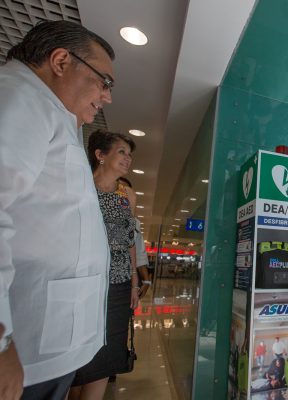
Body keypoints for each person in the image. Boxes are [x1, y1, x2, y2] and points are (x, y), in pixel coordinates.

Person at [0, 20, 114, 400]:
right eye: (104, 81)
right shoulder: (18, 95)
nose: (107, 97)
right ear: (62, 61)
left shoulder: (54, 113)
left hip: (46, 344)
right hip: (23, 348)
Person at [68, 130, 139, 400]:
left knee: (107, 354)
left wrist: (134, 281)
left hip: (118, 285)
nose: (127, 158)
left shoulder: (127, 197)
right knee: (77, 353)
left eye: (129, 154)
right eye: (121, 152)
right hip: (83, 282)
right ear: (100, 155)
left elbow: (130, 240)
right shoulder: (79, 187)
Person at [120, 177, 152, 298]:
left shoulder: (135, 223)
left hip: (126, 281)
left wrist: (146, 281)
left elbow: (139, 254)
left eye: (126, 191)